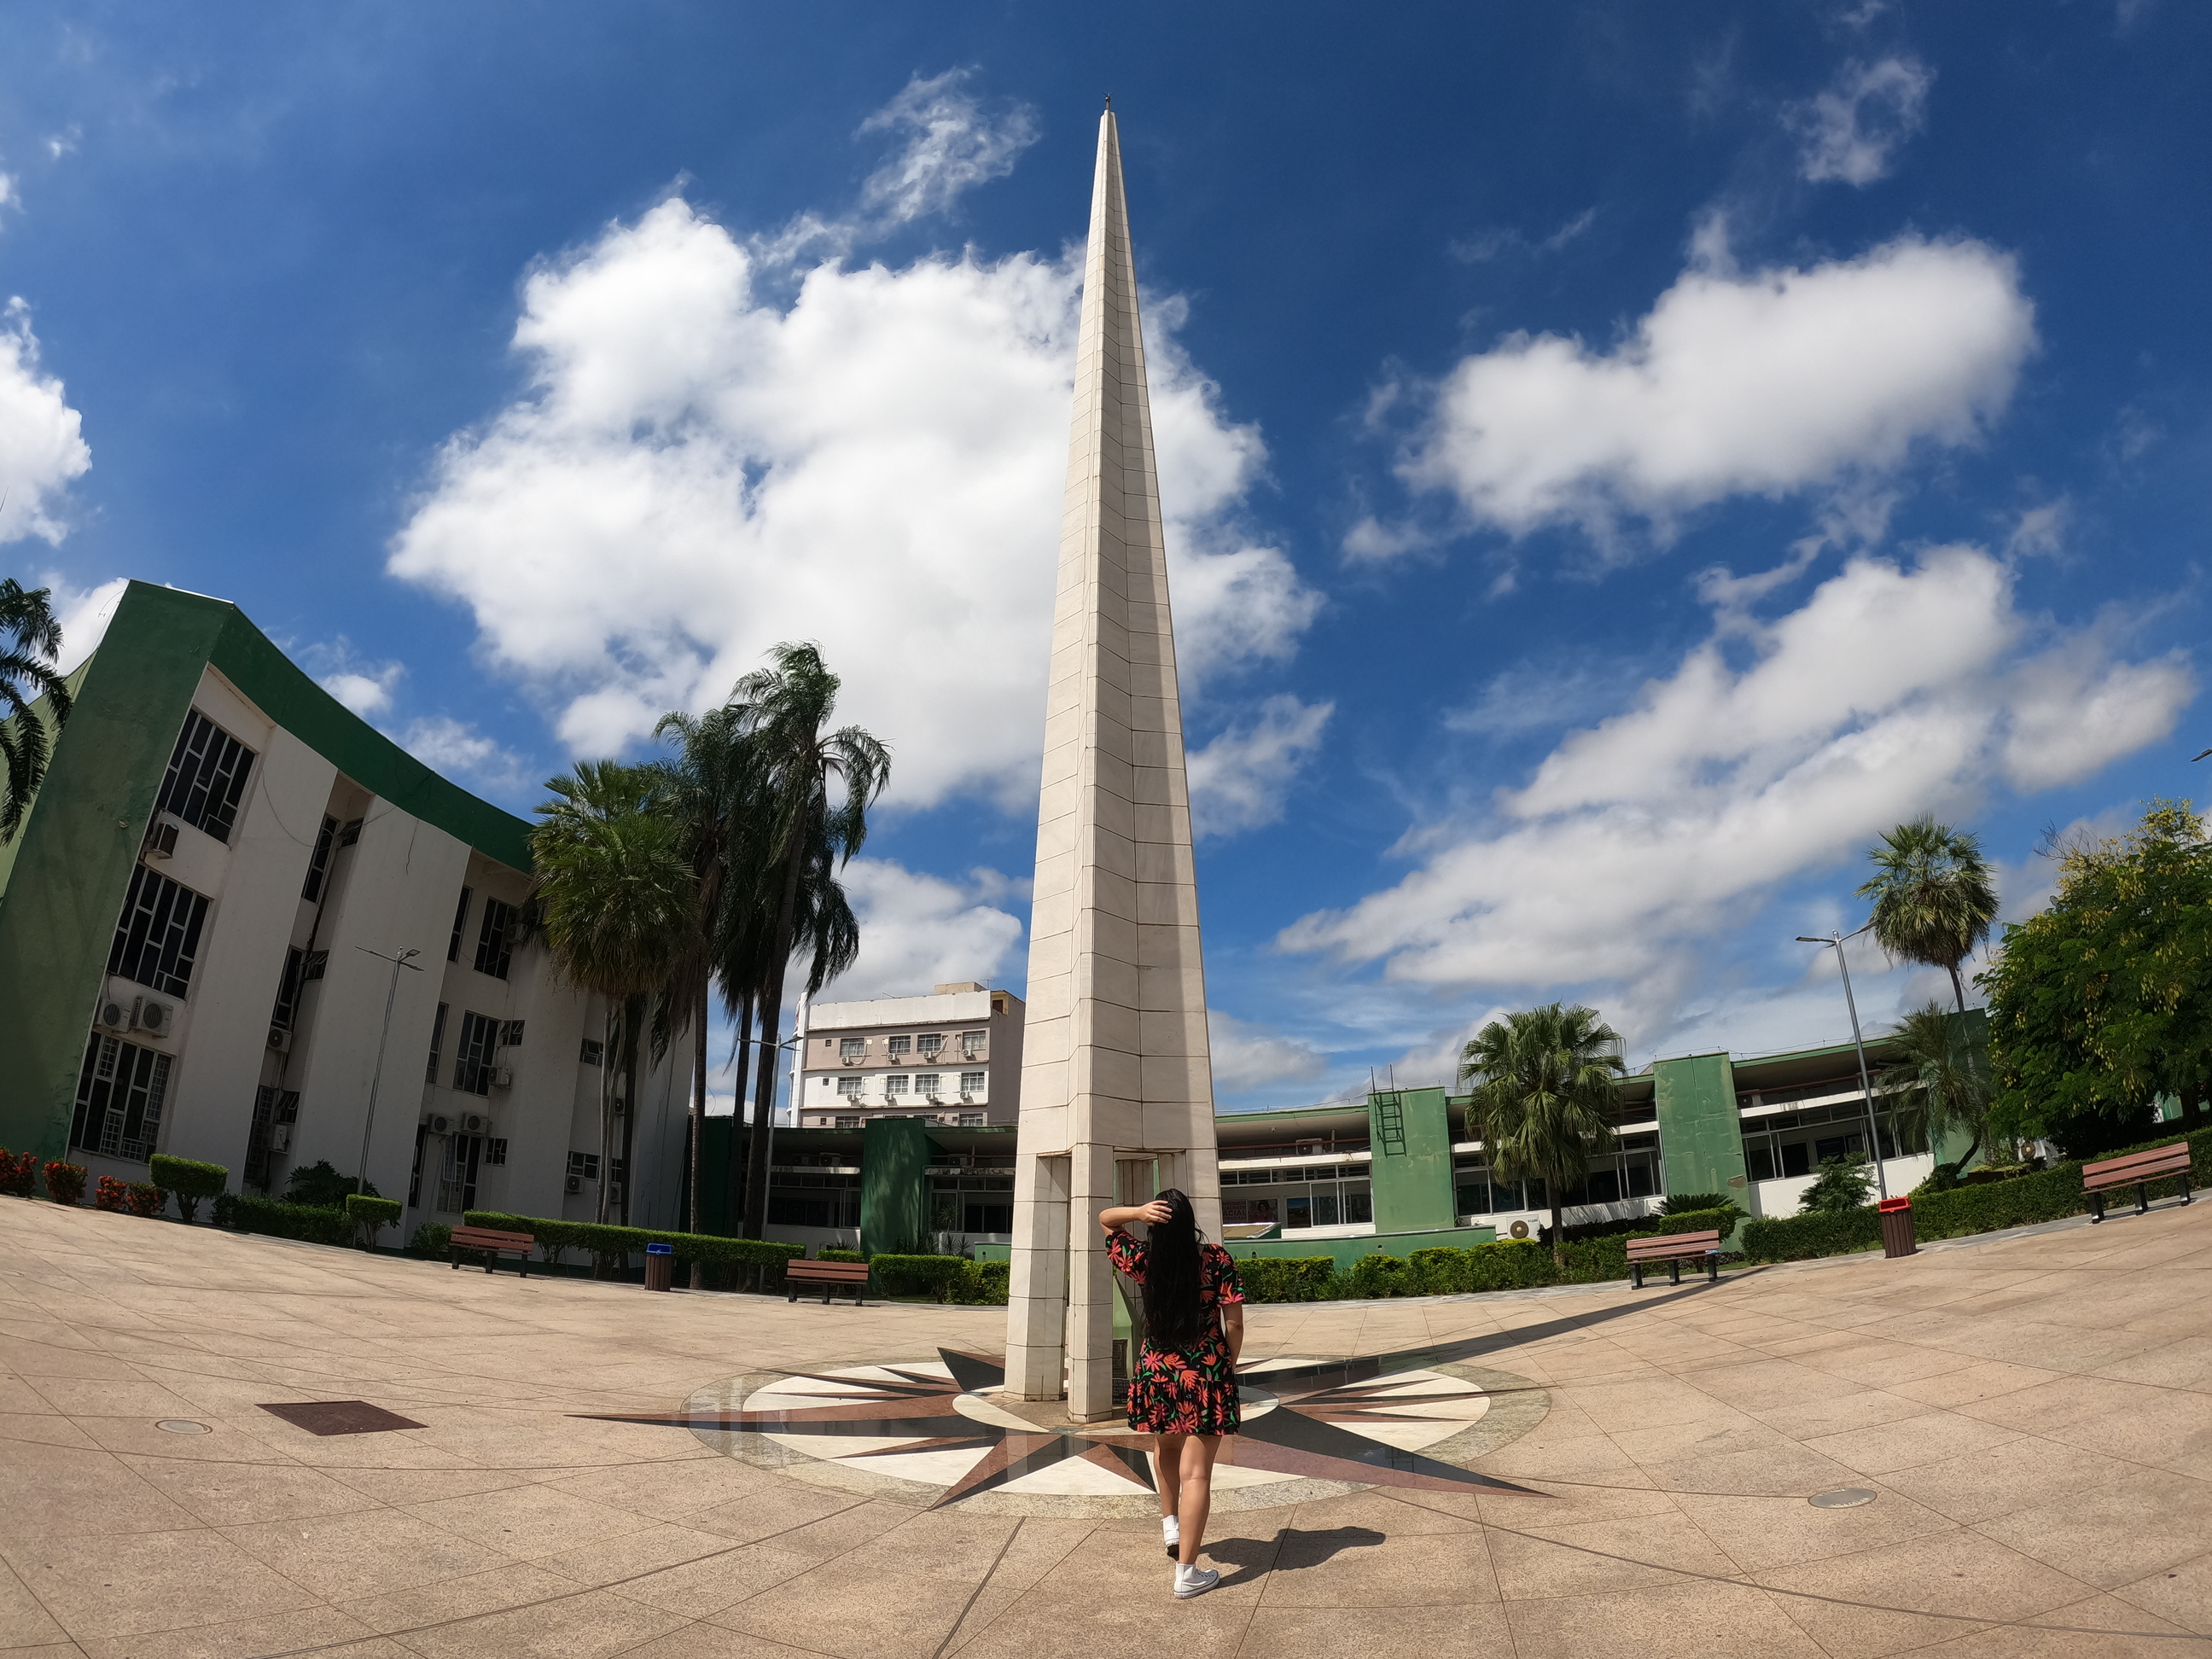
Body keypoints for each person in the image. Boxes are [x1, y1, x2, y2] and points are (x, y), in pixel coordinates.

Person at [1098, 1189, 1246, 1599]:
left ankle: (1171, 1525)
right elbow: (1234, 1324)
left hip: (1157, 1372)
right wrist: (1227, 1365)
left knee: (1165, 1447)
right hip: (1207, 1373)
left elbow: (1106, 1220)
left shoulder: (1146, 1260)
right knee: (1196, 1473)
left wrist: (1137, 1211)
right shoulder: (1216, 1259)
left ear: (1154, 1224)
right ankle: (1187, 1574)